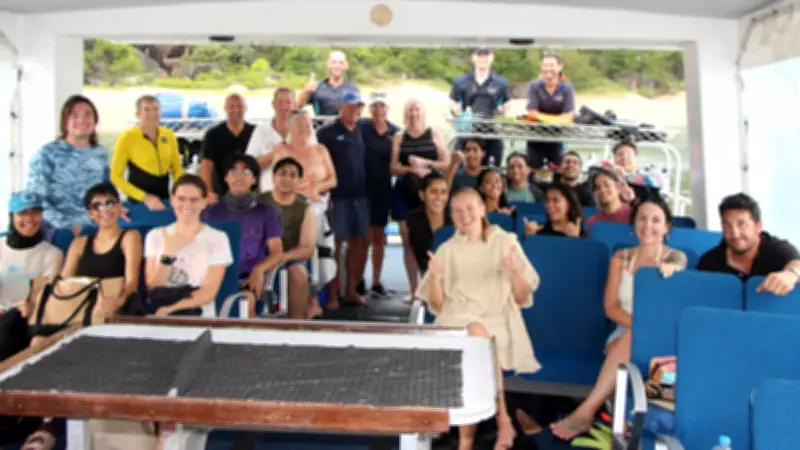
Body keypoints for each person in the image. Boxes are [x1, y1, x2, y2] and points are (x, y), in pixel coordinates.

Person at [550, 196, 687, 440]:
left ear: (666, 228)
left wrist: (673, 268)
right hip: (624, 327)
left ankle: (587, 410)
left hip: (662, 335)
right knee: (618, 344)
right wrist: (637, 327)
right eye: (642, 218)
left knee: (633, 338)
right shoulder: (621, 258)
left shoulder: (675, 258)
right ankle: (620, 423)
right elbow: (611, 307)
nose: (648, 225)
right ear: (634, 224)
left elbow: (680, 263)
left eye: (656, 220)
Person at [416, 187, 541, 450]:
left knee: (476, 337)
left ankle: (467, 440)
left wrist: (515, 273)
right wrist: (436, 278)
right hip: (455, 319)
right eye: (457, 211)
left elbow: (521, 297)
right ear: (451, 217)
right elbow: (438, 306)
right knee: (473, 337)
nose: (465, 215)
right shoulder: (447, 249)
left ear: (483, 210)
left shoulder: (504, 242)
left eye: (470, 208)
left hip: (495, 317)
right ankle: (502, 417)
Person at [144, 175, 233, 317]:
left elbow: (209, 292)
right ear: (172, 200)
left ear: (204, 202)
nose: (187, 205)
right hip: (160, 311)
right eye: (181, 199)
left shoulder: (218, 238)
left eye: (194, 200)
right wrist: (168, 253)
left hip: (197, 316)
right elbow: (154, 286)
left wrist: (172, 309)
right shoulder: (155, 236)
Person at [202, 154, 283, 301]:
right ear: (226, 178)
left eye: (246, 172)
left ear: (253, 180)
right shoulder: (210, 213)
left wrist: (259, 270)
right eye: (234, 171)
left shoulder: (266, 212)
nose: (239, 176)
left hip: (247, 278)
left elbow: (277, 252)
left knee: (246, 300)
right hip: (213, 276)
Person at [390, 99, 449, 297]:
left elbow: (446, 163)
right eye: (410, 110)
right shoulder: (399, 136)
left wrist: (425, 164)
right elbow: (393, 167)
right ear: (405, 114)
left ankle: (433, 285)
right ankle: (414, 289)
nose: (413, 113)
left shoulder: (434, 133)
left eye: (417, 109)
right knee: (408, 239)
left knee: (432, 237)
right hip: (405, 190)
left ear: (423, 112)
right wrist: (411, 168)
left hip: (430, 191)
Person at [316, 91, 369, 308]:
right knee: (336, 246)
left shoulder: (363, 129)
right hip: (337, 198)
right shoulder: (326, 133)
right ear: (340, 107)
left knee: (359, 244)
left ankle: (351, 291)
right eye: (350, 106)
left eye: (358, 107)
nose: (354, 110)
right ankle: (332, 295)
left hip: (362, 196)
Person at [26, 95, 110, 230]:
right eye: (74, 115)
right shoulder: (47, 153)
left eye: (88, 114)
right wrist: (66, 226)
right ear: (65, 121)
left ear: (95, 120)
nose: (82, 119)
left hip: (98, 224)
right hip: (58, 228)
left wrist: (113, 209)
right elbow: (36, 199)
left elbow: (107, 190)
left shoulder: (100, 153)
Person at [57, 183, 142, 316]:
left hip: (114, 307)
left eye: (109, 203)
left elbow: (132, 282)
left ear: (119, 207)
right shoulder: (78, 243)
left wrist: (120, 300)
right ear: (90, 214)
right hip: (80, 306)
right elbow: (64, 282)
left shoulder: (130, 237)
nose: (104, 210)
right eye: (97, 206)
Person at [697, 193, 800, 295]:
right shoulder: (709, 262)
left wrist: (790, 274)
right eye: (727, 226)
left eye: (742, 225)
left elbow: (797, 263)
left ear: (758, 226)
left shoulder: (776, 250)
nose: (735, 234)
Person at [261, 158, 318, 319]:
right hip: (261, 257)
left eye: (292, 175)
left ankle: (297, 325)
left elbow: (307, 248)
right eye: (282, 174)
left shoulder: (305, 209)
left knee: (299, 274)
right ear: (273, 177)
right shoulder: (259, 202)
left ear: (298, 181)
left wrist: (282, 257)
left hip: (289, 258)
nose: (286, 179)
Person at [111, 95, 184, 210]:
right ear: (138, 115)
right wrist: (145, 197)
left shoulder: (169, 135)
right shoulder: (127, 138)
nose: (152, 113)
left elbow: (177, 169)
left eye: (156, 109)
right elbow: (116, 177)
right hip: (138, 201)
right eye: (147, 109)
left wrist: (180, 190)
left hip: (164, 199)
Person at [360, 92, 400, 296]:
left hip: (383, 189)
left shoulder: (395, 132)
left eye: (382, 106)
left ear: (387, 108)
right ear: (370, 109)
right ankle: (358, 279)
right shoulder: (362, 127)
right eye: (375, 106)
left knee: (379, 236)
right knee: (363, 237)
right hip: (362, 189)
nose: (379, 110)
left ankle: (376, 280)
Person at [0, 193, 63, 314]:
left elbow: (47, 296)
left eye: (35, 213)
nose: (29, 218)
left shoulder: (53, 254)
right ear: (12, 217)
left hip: (29, 316)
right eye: (22, 213)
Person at [246, 87, 318, 191]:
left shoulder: (306, 128)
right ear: (273, 104)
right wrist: (273, 154)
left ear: (294, 105)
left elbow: (316, 159)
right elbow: (249, 164)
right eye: (280, 102)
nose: (283, 107)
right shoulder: (261, 130)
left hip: (300, 195)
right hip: (269, 194)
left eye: (288, 102)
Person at [449, 47, 511, 166]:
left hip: (491, 133)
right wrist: (455, 114)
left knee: (492, 170)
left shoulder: (501, 82)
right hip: (467, 133)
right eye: (479, 55)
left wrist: (504, 114)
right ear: (473, 57)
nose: (483, 59)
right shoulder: (461, 81)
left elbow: (507, 104)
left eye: (486, 55)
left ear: (492, 58)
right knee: (461, 167)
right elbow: (451, 105)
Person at [200, 93, 256, 203]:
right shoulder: (213, 134)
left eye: (239, 106)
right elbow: (206, 165)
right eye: (231, 106)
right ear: (225, 109)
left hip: (250, 193)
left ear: (246, 108)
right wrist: (208, 191)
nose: (235, 110)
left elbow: (260, 163)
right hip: (221, 193)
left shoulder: (255, 132)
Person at [526, 52, 575, 168]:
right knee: (533, 171)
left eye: (552, 65)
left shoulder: (567, 88)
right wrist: (557, 119)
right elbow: (532, 113)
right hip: (535, 138)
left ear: (560, 66)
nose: (548, 68)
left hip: (557, 138)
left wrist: (542, 117)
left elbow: (568, 116)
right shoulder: (534, 86)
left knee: (556, 171)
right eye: (545, 65)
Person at [406, 172, 451, 275]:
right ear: (422, 195)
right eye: (433, 192)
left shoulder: (457, 218)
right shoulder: (414, 221)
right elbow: (422, 262)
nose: (439, 197)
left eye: (443, 192)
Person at [297, 50, 359, 116]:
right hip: (322, 126)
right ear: (328, 64)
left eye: (341, 62)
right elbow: (297, 107)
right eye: (334, 62)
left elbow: (357, 113)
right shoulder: (317, 87)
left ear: (346, 65)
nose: (337, 66)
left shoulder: (352, 89)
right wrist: (305, 91)